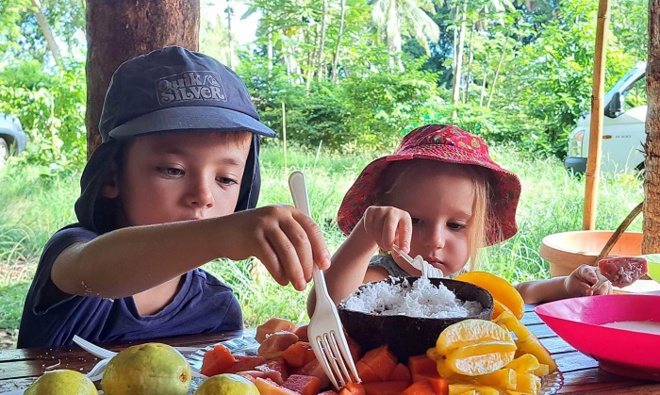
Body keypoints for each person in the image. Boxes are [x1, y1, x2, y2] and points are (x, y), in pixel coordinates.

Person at [18, 46, 330, 348]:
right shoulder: (77, 251)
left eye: (226, 178)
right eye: (172, 170)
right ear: (112, 177)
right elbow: (89, 270)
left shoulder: (215, 308)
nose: (203, 196)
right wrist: (221, 234)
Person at [314, 124, 611, 312]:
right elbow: (324, 306)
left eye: (455, 225)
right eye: (415, 221)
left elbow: (518, 294)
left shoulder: (464, 280)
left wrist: (566, 286)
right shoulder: (382, 278)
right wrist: (364, 237)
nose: (435, 241)